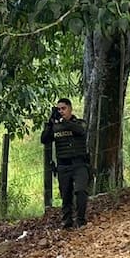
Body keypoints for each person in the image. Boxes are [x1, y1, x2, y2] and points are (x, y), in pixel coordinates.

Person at [41, 97, 90, 228]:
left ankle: (81, 220)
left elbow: (81, 131)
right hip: (63, 165)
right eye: (59, 109)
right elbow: (44, 139)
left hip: (79, 164)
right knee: (66, 194)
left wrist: (63, 121)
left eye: (64, 108)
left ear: (70, 109)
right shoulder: (56, 127)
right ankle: (67, 222)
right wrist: (50, 123)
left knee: (81, 191)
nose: (61, 111)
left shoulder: (79, 123)